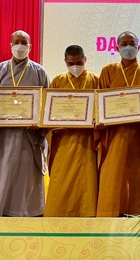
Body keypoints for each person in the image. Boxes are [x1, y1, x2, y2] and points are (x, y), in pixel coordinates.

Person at [96, 31, 140, 217]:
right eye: (124, 44)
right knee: (113, 177)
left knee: (138, 178)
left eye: (132, 43)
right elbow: (100, 103)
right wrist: (100, 119)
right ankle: (110, 213)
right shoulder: (108, 71)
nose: (128, 47)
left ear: (139, 47)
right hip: (113, 136)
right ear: (117, 48)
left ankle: (138, 213)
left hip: (139, 137)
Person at [0, 30, 49, 217]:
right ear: (10, 45)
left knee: (27, 175)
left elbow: (46, 104)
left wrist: (40, 124)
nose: (20, 46)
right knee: (3, 172)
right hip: (3, 136)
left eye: (24, 42)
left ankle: (30, 213)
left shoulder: (39, 71)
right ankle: (1, 211)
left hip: (28, 137)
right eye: (16, 42)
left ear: (30, 47)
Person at [44, 45, 100, 217]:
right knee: (61, 182)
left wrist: (96, 122)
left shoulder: (96, 80)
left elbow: (103, 110)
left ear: (85, 60)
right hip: (64, 142)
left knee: (87, 182)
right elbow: (47, 113)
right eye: (71, 63)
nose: (75, 66)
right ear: (65, 62)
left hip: (87, 142)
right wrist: (53, 126)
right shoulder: (58, 81)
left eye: (79, 63)